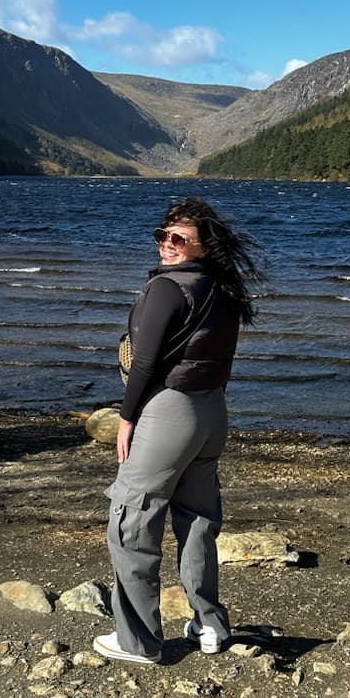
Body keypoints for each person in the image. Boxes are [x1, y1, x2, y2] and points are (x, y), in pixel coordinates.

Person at [93, 197, 262, 665]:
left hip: (170, 412)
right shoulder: (226, 290)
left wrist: (126, 417)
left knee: (131, 520)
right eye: (162, 236)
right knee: (198, 521)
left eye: (179, 239)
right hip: (212, 412)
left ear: (204, 246)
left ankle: (138, 641)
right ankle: (210, 625)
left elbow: (145, 362)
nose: (166, 245)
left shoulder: (167, 288)